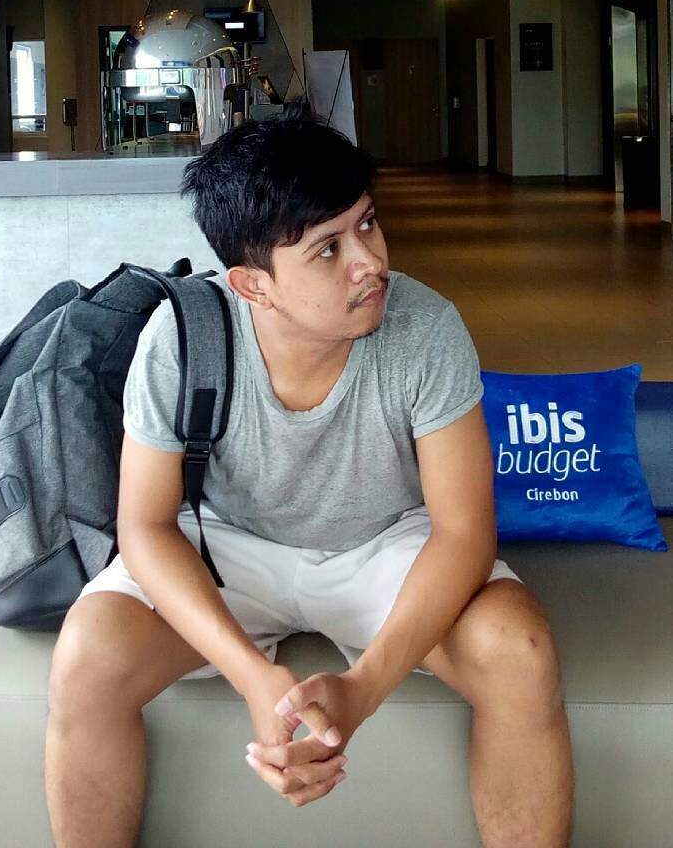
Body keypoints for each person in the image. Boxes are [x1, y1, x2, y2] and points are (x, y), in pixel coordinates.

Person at [45, 110, 574, 847]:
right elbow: (146, 525)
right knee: (86, 655)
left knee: (520, 652)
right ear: (252, 285)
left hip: (386, 544)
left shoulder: (424, 329)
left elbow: (463, 532)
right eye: (328, 249)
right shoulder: (184, 337)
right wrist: (251, 677)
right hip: (229, 546)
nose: (370, 262)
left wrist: (363, 690)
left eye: (368, 224)